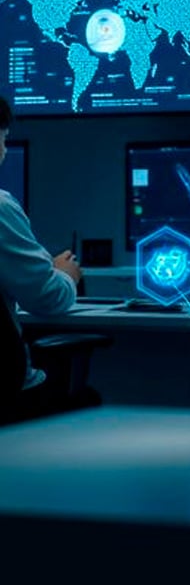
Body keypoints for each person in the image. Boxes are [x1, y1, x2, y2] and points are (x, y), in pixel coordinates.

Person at [0, 95, 84, 414]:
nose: (5, 150)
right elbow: (47, 299)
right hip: (9, 393)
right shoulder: (1, 207)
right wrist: (65, 275)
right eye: (3, 137)